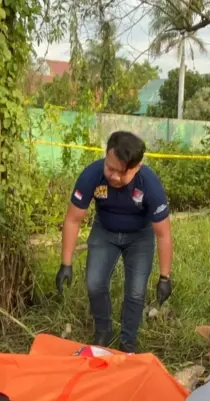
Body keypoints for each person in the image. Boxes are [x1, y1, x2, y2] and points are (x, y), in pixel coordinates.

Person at [56, 131, 174, 353]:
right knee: (94, 283)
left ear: (136, 168)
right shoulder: (92, 175)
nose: (114, 176)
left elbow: (163, 234)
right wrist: (66, 263)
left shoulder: (149, 184)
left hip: (140, 236)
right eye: (110, 168)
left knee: (136, 292)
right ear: (105, 156)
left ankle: (128, 340)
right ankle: (103, 329)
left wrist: (165, 277)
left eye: (122, 173)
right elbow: (73, 220)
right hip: (105, 231)